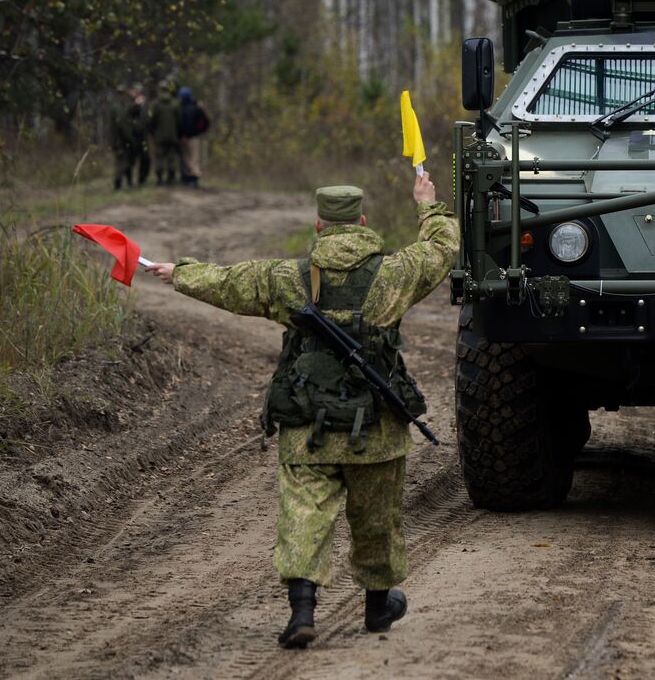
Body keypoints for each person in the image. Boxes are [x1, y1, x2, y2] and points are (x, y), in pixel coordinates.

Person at [146, 175, 458, 648]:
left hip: (308, 426)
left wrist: (178, 272)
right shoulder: (395, 273)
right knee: (377, 521)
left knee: (304, 515)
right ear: (363, 222)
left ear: (318, 225)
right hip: (375, 427)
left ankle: (303, 613)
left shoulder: (288, 278)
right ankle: (377, 608)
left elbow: (230, 283)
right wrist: (427, 205)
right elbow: (441, 249)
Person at [149, 82, 182, 186]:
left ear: (160, 90)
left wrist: (153, 133)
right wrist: (177, 133)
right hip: (173, 136)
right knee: (171, 157)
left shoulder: (155, 104)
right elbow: (179, 121)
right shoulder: (175, 103)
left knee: (159, 157)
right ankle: (171, 178)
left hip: (159, 136)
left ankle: (159, 179)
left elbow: (151, 120)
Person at [177, 86, 210, 187]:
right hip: (190, 137)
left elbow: (203, 122)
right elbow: (205, 122)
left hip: (188, 137)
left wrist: (185, 134)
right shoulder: (195, 108)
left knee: (190, 158)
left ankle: (193, 178)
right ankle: (189, 178)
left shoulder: (186, 108)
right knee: (190, 158)